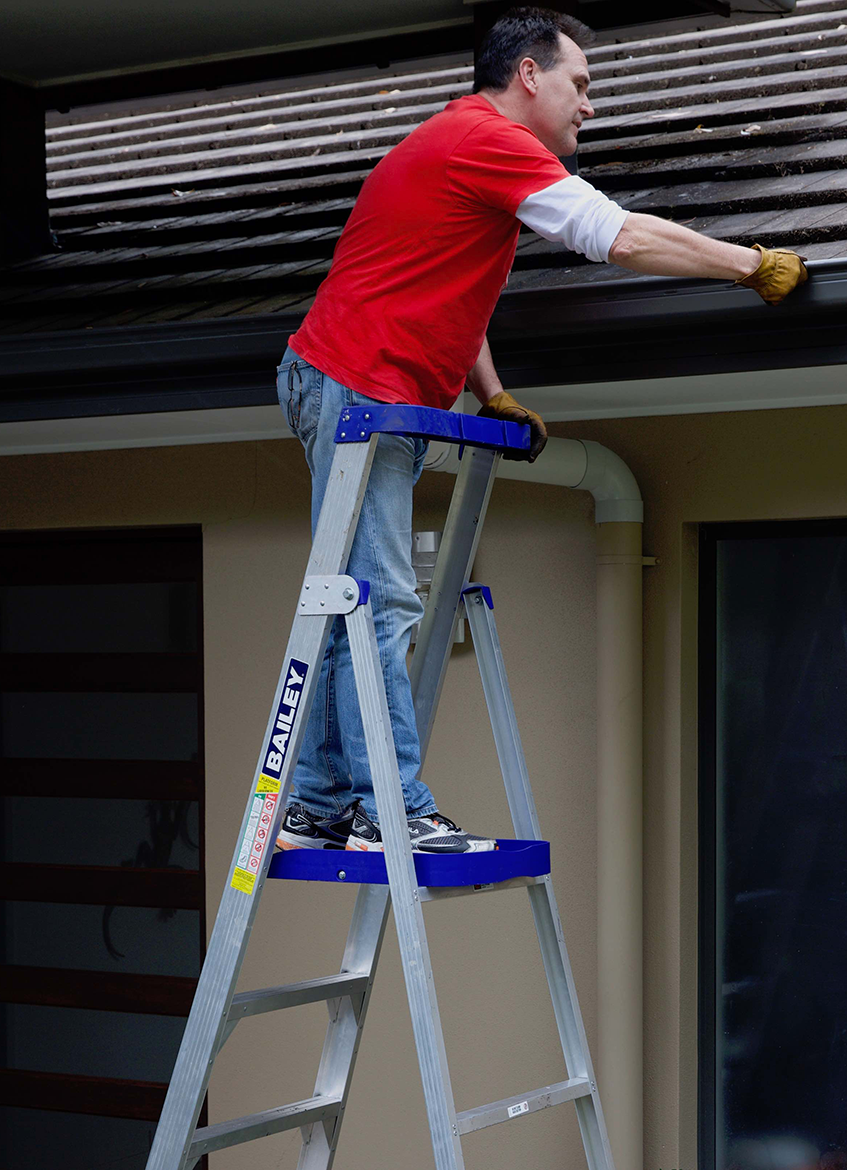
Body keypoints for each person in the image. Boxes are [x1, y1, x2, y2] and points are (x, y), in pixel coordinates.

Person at [275, 6, 807, 855]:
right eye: (581, 83)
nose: (589, 105)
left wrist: (490, 392)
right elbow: (620, 236)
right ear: (529, 74)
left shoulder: (456, 145)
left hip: (362, 384)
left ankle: (318, 801)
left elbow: (437, 287)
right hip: (359, 387)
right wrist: (748, 264)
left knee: (357, 596)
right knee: (376, 599)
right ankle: (389, 807)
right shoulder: (488, 140)